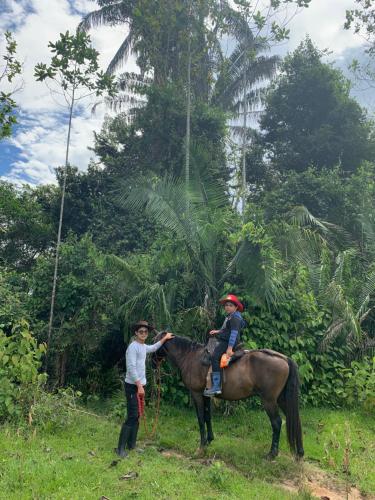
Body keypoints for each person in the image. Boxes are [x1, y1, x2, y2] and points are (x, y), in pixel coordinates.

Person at [115, 320, 174, 458]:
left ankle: (132, 446)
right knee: (132, 416)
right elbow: (131, 368)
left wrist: (164, 338)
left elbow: (153, 348)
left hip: (140, 385)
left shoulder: (143, 346)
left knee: (137, 416)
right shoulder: (133, 347)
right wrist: (139, 385)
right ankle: (120, 449)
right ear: (136, 333)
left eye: (145, 332)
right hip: (132, 386)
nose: (143, 334)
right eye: (141, 331)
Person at [203, 294, 245, 397]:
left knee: (214, 357)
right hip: (224, 339)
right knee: (209, 347)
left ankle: (216, 386)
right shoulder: (231, 316)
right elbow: (227, 329)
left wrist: (229, 348)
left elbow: (233, 334)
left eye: (230, 305)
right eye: (226, 305)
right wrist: (217, 331)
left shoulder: (235, 318)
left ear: (236, 307)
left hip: (228, 342)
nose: (227, 307)